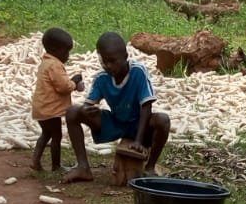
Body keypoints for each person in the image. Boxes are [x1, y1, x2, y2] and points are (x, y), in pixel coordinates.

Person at [63, 32, 169, 183]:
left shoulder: (138, 71)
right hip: (116, 122)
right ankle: (83, 167)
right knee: (73, 112)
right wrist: (87, 109)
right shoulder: (102, 77)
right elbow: (89, 103)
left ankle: (150, 167)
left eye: (113, 61)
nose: (108, 66)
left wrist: (138, 141)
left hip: (139, 124)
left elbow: (146, 107)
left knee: (163, 120)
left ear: (125, 56)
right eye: (104, 61)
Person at [31, 27, 83, 173]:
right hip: (50, 110)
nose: (68, 55)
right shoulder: (55, 65)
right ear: (55, 50)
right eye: (65, 51)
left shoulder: (46, 62)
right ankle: (56, 166)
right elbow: (64, 87)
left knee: (45, 134)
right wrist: (74, 81)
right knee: (56, 137)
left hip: (41, 108)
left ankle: (35, 161)